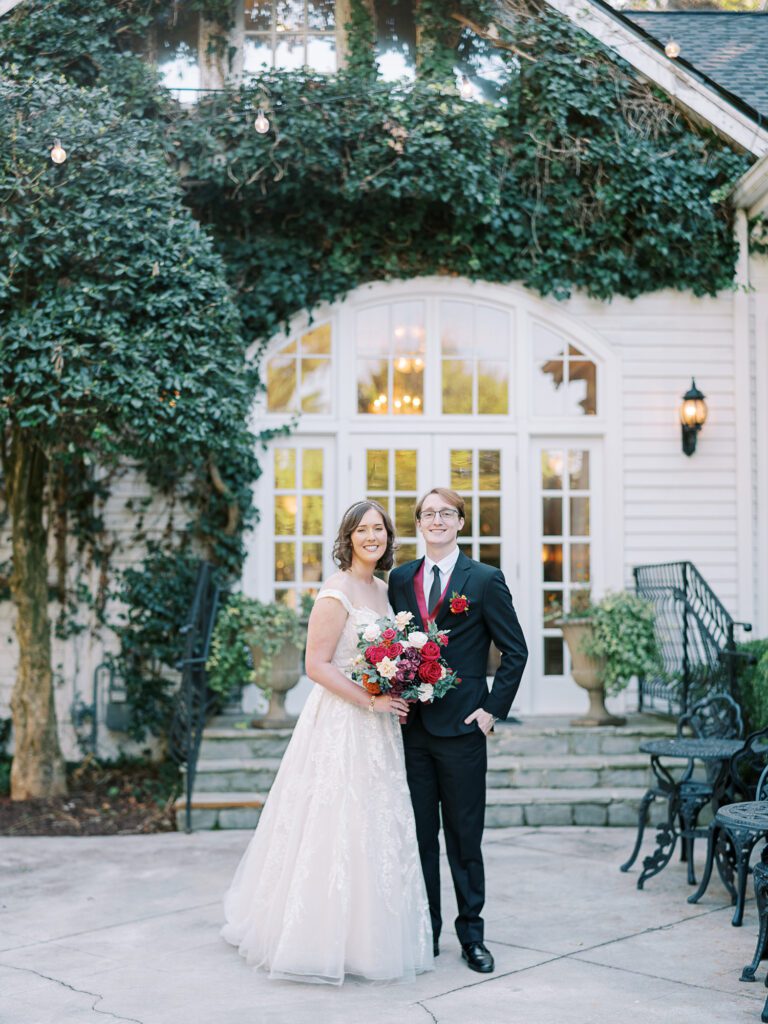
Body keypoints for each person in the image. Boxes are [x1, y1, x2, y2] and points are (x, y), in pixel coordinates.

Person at [221, 500, 433, 985]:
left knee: (374, 826)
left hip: (379, 726)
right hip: (343, 721)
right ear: (347, 538)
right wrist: (370, 701)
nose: (371, 537)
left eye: (378, 529)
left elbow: (391, 656)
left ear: (388, 537)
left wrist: (399, 685)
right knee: (334, 822)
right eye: (362, 530)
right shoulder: (335, 592)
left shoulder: (385, 589)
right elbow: (315, 665)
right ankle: (316, 937)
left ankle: (368, 940)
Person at [388, 487, 528, 974]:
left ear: (461, 522)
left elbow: (516, 651)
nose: (437, 520)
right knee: (420, 838)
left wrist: (492, 710)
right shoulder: (401, 579)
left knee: (465, 839)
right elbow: (391, 645)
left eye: (446, 513)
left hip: (465, 730)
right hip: (412, 730)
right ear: (419, 524)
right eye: (428, 514)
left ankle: (472, 935)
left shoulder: (486, 580)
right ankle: (426, 930)